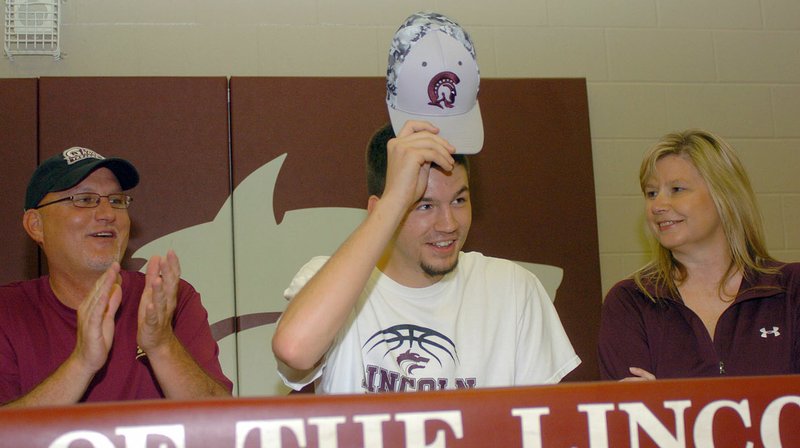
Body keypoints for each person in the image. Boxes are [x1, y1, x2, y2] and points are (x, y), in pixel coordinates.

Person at [271, 12, 580, 394]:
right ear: (377, 211)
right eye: (423, 205)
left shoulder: (512, 290)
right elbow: (294, 349)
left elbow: (545, 425)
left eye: (460, 199)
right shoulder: (333, 282)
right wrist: (395, 199)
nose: (448, 224)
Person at [0, 147, 233, 406]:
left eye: (116, 201)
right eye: (85, 200)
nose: (107, 214)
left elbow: (223, 423)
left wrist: (162, 345)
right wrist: (82, 363)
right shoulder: (8, 311)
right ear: (36, 225)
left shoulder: (168, 300)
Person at [598, 129, 800, 380]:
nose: (658, 206)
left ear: (724, 196)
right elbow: (632, 414)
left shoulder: (791, 289)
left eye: (677, 189)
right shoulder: (630, 302)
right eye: (651, 193)